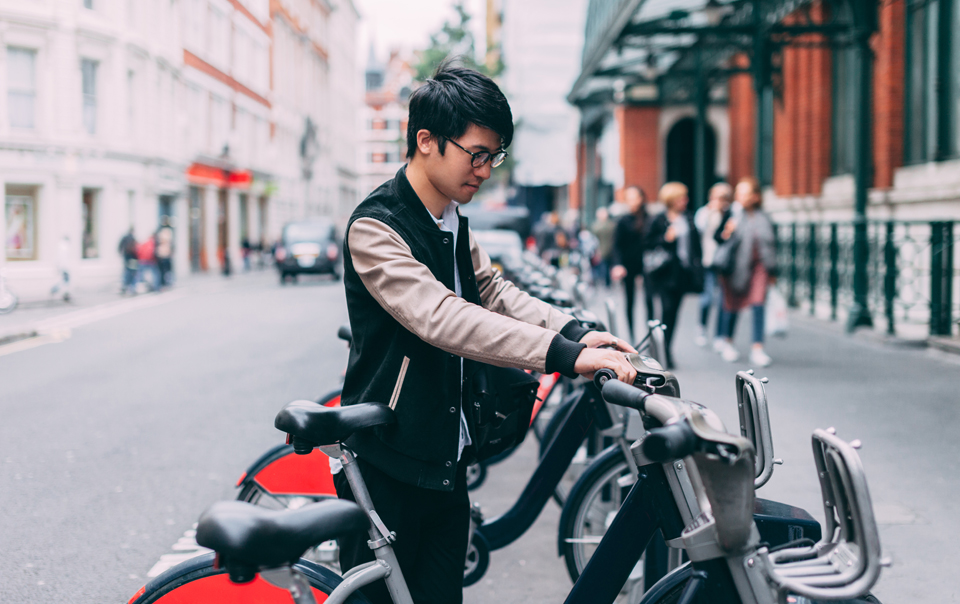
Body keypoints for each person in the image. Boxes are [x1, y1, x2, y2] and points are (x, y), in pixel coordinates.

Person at [334, 61, 637, 604]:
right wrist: (564, 356)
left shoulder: (451, 217)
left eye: (493, 156)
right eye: (477, 153)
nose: (486, 170)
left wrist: (575, 330)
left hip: (447, 461)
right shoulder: (375, 227)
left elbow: (492, 292)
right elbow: (443, 317)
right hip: (390, 460)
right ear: (426, 141)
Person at [714, 176, 778, 367]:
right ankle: (727, 342)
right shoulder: (731, 214)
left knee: (758, 305)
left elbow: (773, 245)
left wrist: (773, 271)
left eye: (746, 193)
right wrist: (727, 232)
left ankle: (757, 348)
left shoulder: (764, 217)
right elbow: (718, 237)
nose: (742, 197)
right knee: (732, 306)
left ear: (756, 196)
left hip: (760, 267)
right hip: (735, 268)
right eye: (739, 193)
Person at [643, 182, 704, 369]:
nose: (684, 201)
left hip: (682, 274)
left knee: (673, 314)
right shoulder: (659, 219)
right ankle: (662, 351)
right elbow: (646, 242)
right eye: (681, 198)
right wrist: (665, 238)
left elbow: (695, 245)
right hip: (663, 274)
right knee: (666, 311)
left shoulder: (688, 218)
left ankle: (664, 349)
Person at [611, 186, 654, 342]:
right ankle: (631, 336)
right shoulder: (623, 220)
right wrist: (618, 265)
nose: (632, 202)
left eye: (635, 197)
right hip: (628, 265)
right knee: (629, 301)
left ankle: (652, 336)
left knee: (649, 300)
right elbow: (616, 245)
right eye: (628, 198)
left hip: (649, 266)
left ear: (642, 198)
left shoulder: (650, 218)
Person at [694, 182, 733, 348]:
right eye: (717, 197)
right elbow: (699, 230)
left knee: (724, 300)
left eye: (724, 198)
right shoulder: (704, 213)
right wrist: (713, 212)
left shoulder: (731, 214)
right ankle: (702, 328)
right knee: (708, 298)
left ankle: (719, 335)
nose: (720, 201)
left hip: (725, 262)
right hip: (708, 260)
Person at [591, 207, 616, 287]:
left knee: (603, 267)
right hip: (611, 249)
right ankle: (608, 282)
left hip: (602, 250)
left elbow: (593, 240)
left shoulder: (596, 226)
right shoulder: (612, 225)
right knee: (608, 266)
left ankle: (604, 282)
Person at [118, 228, 138, 295]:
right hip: (132, 258)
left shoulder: (125, 238)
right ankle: (131, 287)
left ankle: (124, 286)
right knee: (132, 272)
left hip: (126, 256)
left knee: (127, 271)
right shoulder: (133, 239)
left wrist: (120, 252)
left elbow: (120, 246)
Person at [155, 218, 174, 288]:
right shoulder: (168, 232)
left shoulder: (160, 232)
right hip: (164, 255)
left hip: (162, 254)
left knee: (163, 271)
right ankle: (166, 283)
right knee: (166, 270)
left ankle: (164, 283)